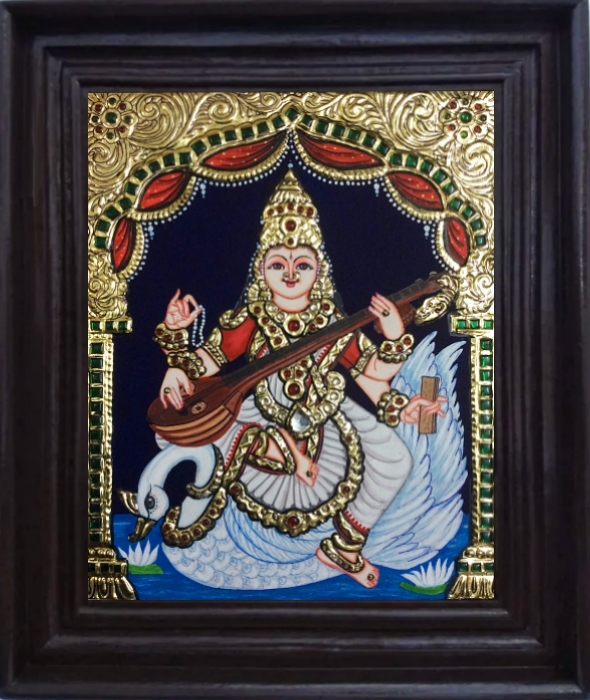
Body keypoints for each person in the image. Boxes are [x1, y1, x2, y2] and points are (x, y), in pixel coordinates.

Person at [153, 171, 446, 588]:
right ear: (261, 269)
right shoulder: (251, 318)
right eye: (278, 264)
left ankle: (344, 548)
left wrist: (397, 348)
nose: (290, 275)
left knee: (396, 460)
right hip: (262, 413)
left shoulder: (334, 321)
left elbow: (372, 376)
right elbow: (207, 363)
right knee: (182, 431)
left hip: (325, 414)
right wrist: (176, 355)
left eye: (302, 264)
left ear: (319, 269)